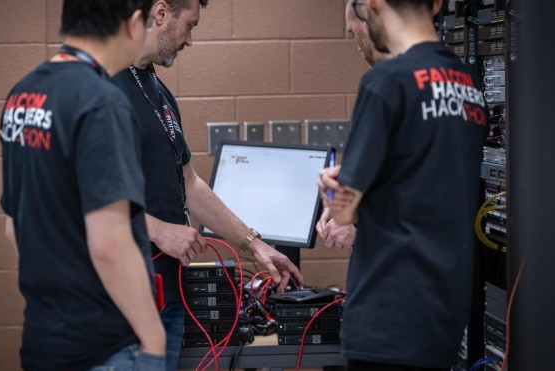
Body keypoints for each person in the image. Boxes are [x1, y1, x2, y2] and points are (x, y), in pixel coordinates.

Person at [111, 0, 304, 368]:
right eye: (190, 26)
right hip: (120, 307)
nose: (190, 41)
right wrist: (158, 230)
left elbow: (190, 184)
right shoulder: (100, 88)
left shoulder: (158, 91)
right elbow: (77, 196)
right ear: (162, 13)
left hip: (166, 298)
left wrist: (255, 246)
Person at [318, 0, 487, 369]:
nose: (352, 29)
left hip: (388, 319)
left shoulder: (387, 81)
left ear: (374, 5)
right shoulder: (469, 84)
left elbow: (344, 208)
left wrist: (329, 185)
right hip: (445, 314)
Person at [0, 1, 167, 369]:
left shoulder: (21, 94)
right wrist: (154, 340)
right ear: (133, 23)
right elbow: (109, 244)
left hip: (44, 336)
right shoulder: (102, 101)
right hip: (103, 347)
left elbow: (14, 227)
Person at [315, 0, 392, 250]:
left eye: (353, 31)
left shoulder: (384, 86)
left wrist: (354, 225)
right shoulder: (450, 78)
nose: (357, 45)